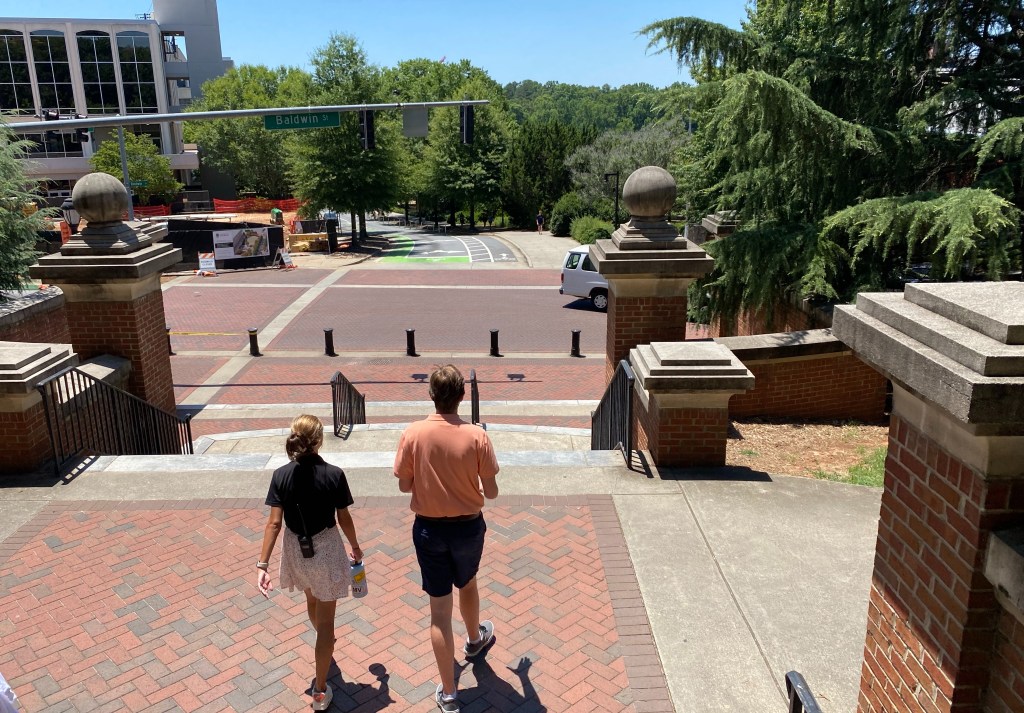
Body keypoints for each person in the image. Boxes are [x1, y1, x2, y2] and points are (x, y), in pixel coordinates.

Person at [394, 365, 500, 713]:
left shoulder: (413, 433)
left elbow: (404, 485)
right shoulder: (477, 436)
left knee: (439, 611)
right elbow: (493, 492)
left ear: (431, 395)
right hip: (468, 526)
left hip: (428, 529)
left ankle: (450, 693)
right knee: (467, 582)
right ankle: (474, 640)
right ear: (461, 396)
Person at [257, 415, 363, 711]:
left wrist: (261, 566)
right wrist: (355, 546)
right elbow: (343, 517)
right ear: (318, 440)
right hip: (327, 548)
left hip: (296, 549)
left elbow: (274, 524)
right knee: (327, 621)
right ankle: (319, 690)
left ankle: (324, 644)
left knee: (312, 601)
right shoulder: (334, 474)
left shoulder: (281, 475)